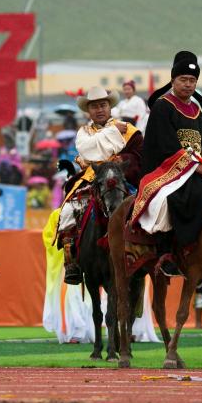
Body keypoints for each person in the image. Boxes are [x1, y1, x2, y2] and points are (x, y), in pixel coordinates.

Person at [130, 51, 202, 277]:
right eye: (183, 80)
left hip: (196, 167)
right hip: (166, 170)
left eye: (192, 81)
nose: (188, 85)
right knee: (190, 193)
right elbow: (165, 144)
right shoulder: (163, 106)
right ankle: (172, 251)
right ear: (173, 80)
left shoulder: (196, 109)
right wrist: (193, 166)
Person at [56, 86, 143, 285]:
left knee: (146, 207)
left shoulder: (129, 130)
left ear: (110, 107)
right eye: (94, 106)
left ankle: (149, 253)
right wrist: (112, 132)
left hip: (123, 178)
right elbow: (87, 151)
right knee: (68, 211)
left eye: (103, 105)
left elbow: (139, 154)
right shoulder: (84, 133)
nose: (99, 109)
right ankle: (72, 263)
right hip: (92, 178)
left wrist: (123, 161)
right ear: (89, 111)